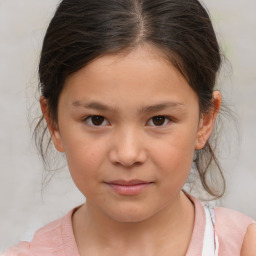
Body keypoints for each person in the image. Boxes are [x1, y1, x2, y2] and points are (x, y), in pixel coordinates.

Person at [4, 0, 256, 255]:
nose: (127, 154)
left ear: (205, 120)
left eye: (159, 120)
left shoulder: (244, 246)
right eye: (96, 120)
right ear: (54, 123)